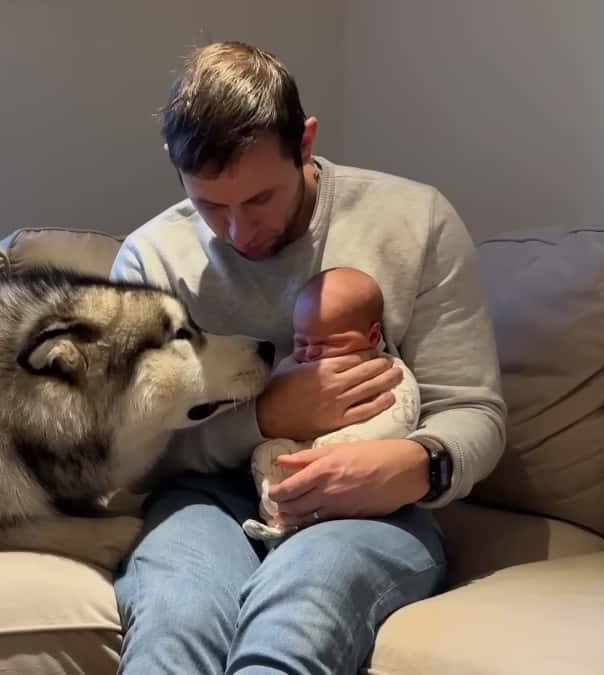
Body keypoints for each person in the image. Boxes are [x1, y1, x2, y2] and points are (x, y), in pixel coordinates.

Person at [109, 41, 507, 674]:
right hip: (205, 500)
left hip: (374, 506)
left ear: (304, 142)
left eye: (260, 198)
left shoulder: (414, 221)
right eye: (213, 205)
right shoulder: (151, 258)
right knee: (178, 621)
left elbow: (472, 410)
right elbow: (130, 452)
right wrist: (264, 417)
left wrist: (412, 466)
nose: (239, 232)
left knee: (299, 612)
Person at [242, 267, 420, 541]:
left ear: (372, 338)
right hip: (297, 456)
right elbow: (272, 393)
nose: (311, 353)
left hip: (361, 470)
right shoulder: (293, 366)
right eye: (301, 342)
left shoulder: (385, 371)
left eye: (329, 344)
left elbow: (402, 415)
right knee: (266, 455)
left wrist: (338, 450)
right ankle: (277, 513)